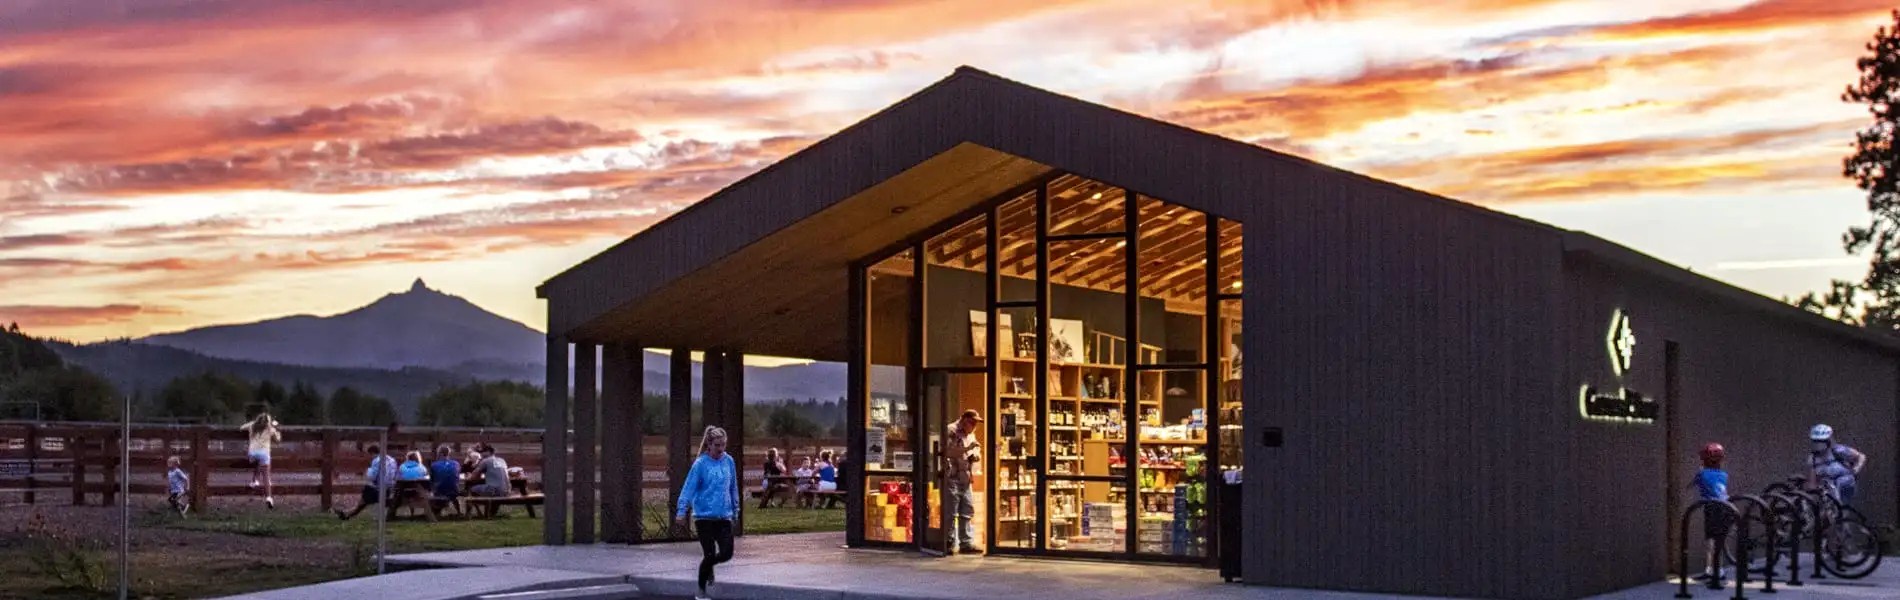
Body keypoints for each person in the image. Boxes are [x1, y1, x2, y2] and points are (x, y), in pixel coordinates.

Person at [675, 426, 740, 600]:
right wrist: (681, 511)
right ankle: (701, 591)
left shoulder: (729, 461)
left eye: (723, 445)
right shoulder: (700, 464)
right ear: (709, 445)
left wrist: (735, 510)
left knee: (727, 553)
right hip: (704, 517)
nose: (721, 449)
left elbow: (733, 487)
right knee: (709, 553)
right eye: (717, 445)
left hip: (723, 515)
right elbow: (689, 488)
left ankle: (709, 566)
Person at [943, 409, 983, 555]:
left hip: (965, 476)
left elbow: (973, 451)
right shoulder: (951, 430)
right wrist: (967, 449)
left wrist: (974, 456)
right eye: (972, 422)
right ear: (963, 419)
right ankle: (948, 541)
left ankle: (966, 542)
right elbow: (947, 451)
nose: (974, 426)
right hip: (952, 476)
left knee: (967, 510)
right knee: (951, 511)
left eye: (976, 423)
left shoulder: (971, 434)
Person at [1692, 442, 1731, 589]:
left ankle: (1714, 571)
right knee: (1717, 540)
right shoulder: (1724, 475)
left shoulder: (1701, 474)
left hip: (1712, 508)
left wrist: (1700, 470)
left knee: (1711, 540)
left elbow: (1695, 483)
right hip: (1726, 507)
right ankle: (1714, 569)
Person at [1806, 424, 1869, 506]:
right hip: (1828, 488)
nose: (1818, 444)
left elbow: (1861, 457)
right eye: (1815, 441)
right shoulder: (1813, 458)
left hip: (1845, 484)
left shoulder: (1838, 451)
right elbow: (1813, 480)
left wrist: (1856, 469)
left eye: (1821, 441)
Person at [335, 444, 396, 520]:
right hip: (389, 489)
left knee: (366, 493)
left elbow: (372, 477)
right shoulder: (391, 460)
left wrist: (368, 471)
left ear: (372, 453)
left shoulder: (377, 460)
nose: (369, 457)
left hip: (380, 489)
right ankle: (348, 513)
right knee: (365, 497)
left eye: (369, 455)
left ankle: (348, 513)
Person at [238, 412, 281, 509]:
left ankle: (254, 481)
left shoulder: (252, 425)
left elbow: (241, 428)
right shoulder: (270, 428)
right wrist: (277, 430)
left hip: (252, 453)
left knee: (258, 463)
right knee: (266, 477)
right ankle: (269, 497)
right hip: (264, 453)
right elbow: (278, 440)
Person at [428, 445, 463, 518]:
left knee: (432, 490)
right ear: (448, 453)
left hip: (440, 491)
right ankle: (459, 512)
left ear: (440, 453)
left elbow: (432, 479)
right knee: (451, 492)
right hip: (455, 491)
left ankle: (434, 512)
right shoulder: (456, 463)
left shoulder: (434, 465)